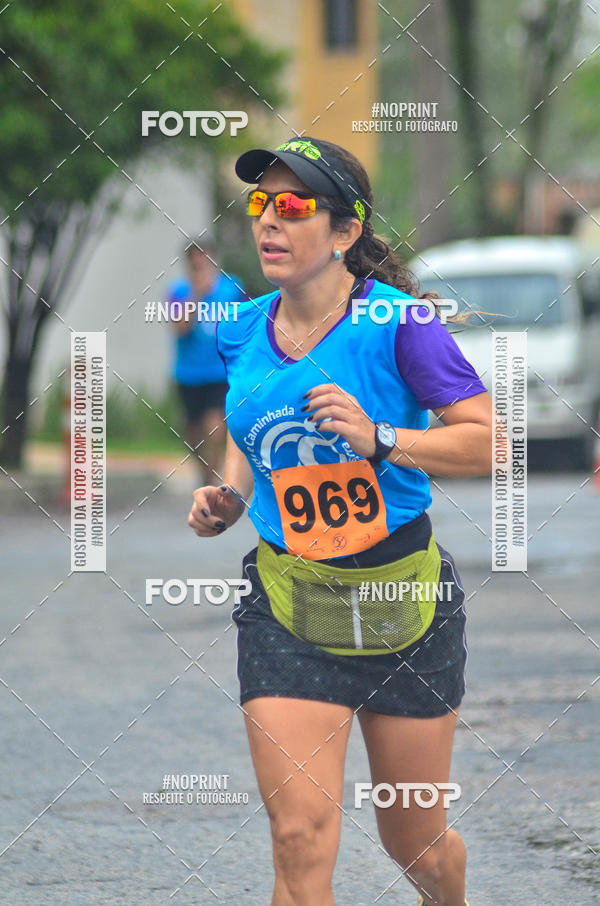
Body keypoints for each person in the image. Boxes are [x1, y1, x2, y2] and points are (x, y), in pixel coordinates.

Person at [187, 136, 492, 906]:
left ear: (346, 232)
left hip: (403, 603)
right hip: (290, 603)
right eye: (261, 204)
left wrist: (382, 437)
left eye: (292, 206)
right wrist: (230, 490)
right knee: (299, 840)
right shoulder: (239, 326)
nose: (269, 221)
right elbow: (251, 421)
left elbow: (488, 440)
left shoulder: (401, 322)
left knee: (415, 844)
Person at [168, 238, 246, 483]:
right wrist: (196, 296)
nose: (201, 269)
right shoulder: (178, 292)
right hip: (188, 373)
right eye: (195, 265)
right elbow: (180, 328)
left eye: (205, 263)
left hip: (219, 372)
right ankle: (205, 475)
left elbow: (243, 328)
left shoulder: (232, 288)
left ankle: (213, 476)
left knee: (215, 427)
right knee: (193, 433)